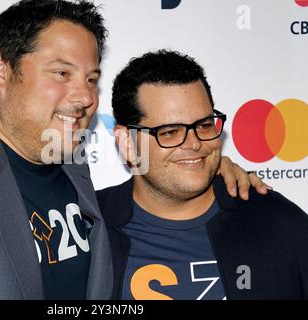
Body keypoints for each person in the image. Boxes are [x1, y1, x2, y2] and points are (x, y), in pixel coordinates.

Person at [0, 1, 266, 299]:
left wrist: (202, 165)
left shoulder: (68, 157)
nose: (85, 96)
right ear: (1, 71)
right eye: (61, 73)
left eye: (91, 79)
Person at [97, 50, 308, 300]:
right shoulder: (88, 230)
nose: (195, 143)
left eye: (204, 125)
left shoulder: (277, 222)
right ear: (128, 143)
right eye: (170, 132)